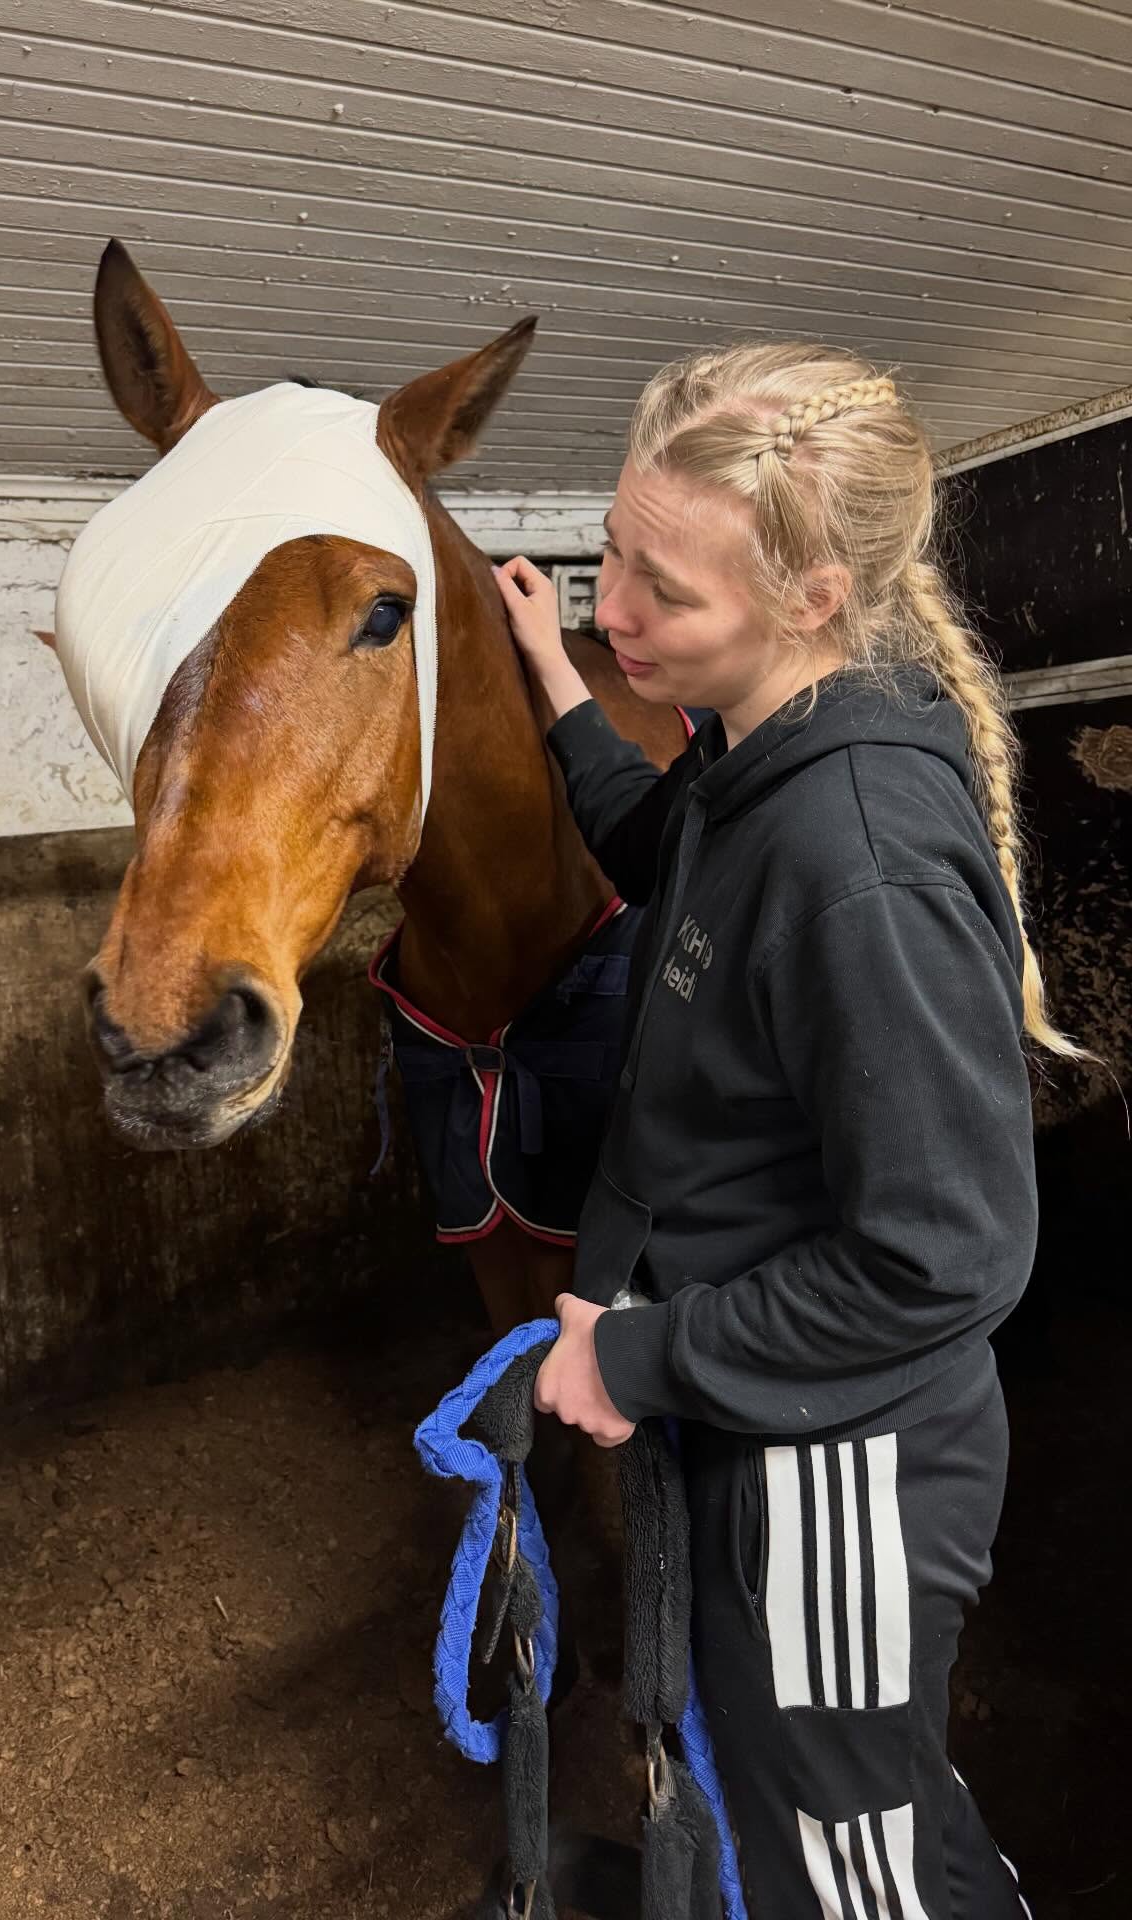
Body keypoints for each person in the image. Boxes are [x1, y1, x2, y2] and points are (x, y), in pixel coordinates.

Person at [492, 344, 1066, 1920]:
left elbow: (945, 1257)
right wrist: (553, 670)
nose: (618, 607)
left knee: (852, 1858)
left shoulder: (854, 860)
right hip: (761, 1407)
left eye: (658, 591)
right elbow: (647, 839)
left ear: (811, 596)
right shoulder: (753, 746)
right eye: (613, 550)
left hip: (843, 1466)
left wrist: (634, 1357)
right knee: (793, 1788)